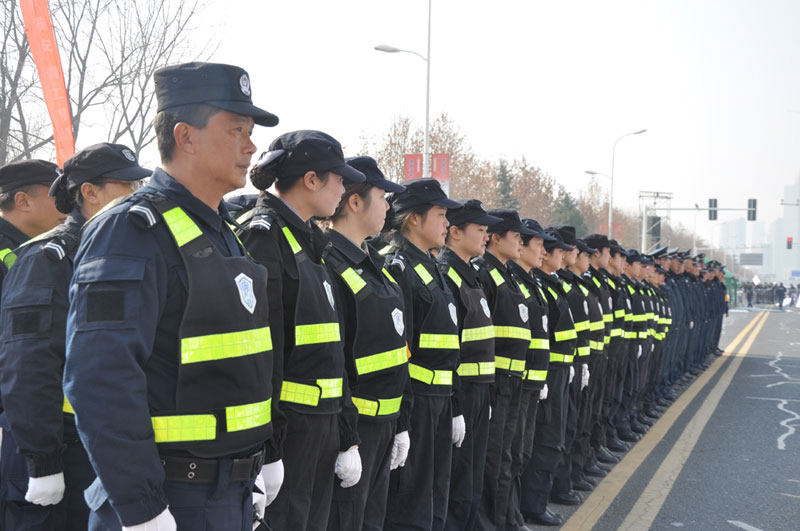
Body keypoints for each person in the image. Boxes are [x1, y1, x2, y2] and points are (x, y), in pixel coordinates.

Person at [63, 62, 282, 530]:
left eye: (250, 132)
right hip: (169, 497)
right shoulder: (131, 229)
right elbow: (100, 379)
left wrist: (254, 464)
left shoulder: (223, 231)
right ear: (185, 136)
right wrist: (142, 509)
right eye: (236, 130)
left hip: (227, 494)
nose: (251, 145)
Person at [0, 143, 149, 530]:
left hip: (103, 444)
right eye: (126, 186)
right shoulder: (47, 259)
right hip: (56, 447)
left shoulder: (120, 251)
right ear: (89, 192)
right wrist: (42, 460)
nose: (136, 196)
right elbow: (27, 364)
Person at [240, 130, 366, 531]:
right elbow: (263, 354)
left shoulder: (311, 242)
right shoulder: (264, 237)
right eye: (338, 178)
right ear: (311, 179)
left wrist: (346, 433)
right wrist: (269, 449)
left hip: (321, 427)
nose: (344, 189)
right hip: (291, 430)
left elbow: (333, 349)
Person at [321, 156, 409, 531]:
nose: (389, 206)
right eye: (383, 196)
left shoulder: (373, 263)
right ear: (355, 202)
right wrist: (348, 439)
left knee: (372, 521)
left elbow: (398, 349)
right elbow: (332, 360)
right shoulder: (328, 262)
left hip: (385, 424)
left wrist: (401, 422)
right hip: (356, 427)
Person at [380, 178, 462, 531]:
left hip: (441, 399)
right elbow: (402, 350)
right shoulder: (399, 269)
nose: (446, 223)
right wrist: (403, 420)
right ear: (413, 218)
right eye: (441, 214)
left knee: (436, 492)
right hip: (417, 404)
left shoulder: (431, 267)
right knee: (410, 500)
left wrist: (455, 405)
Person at [0, 159, 65, 527]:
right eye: (57, 196)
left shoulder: (37, 252)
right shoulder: (19, 256)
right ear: (23, 201)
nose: (67, 206)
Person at [438, 200, 501, 531]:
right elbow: (450, 349)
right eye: (480, 230)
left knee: (473, 476)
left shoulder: (472, 277)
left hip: (479, 393)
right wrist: (458, 405)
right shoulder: (449, 276)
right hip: (460, 394)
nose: (486, 236)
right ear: (455, 232)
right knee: (459, 479)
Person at [473, 209, 535, 531]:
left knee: (509, 456)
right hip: (497, 381)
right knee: (494, 458)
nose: (521, 243)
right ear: (497, 238)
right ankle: (490, 523)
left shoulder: (508, 275)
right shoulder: (485, 274)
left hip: (514, 380)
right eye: (516, 237)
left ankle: (507, 518)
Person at [519, 229, 576, 527]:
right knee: (545, 439)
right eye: (542, 247)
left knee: (554, 436)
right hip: (545, 373)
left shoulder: (548, 285)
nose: (546, 253)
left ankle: (536, 501)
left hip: (558, 370)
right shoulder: (537, 284)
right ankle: (533, 503)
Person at [506, 218, 555, 529]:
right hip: (512, 383)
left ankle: (514, 514)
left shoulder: (530, 283)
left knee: (520, 453)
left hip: (531, 380)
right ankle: (509, 516)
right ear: (520, 246)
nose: (544, 253)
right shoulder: (507, 281)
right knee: (507, 457)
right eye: (539, 246)